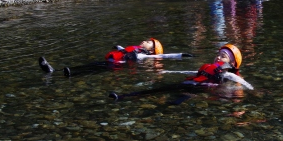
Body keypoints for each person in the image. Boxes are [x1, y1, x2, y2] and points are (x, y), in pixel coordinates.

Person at [109, 43, 253, 104]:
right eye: (218, 54)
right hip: (189, 84)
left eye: (223, 56)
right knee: (157, 90)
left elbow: (241, 83)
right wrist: (169, 71)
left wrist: (252, 90)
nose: (218, 57)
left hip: (198, 90)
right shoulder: (209, 68)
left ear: (232, 64)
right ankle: (122, 96)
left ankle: (169, 107)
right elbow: (190, 72)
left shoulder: (229, 75)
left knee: (177, 101)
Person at [39, 38, 192, 77]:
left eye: (148, 43)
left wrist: (180, 55)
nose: (144, 41)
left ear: (152, 51)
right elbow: (123, 49)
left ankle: (67, 73)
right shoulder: (137, 48)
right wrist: (118, 47)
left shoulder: (145, 56)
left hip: (116, 65)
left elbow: (165, 55)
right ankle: (54, 70)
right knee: (92, 65)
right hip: (112, 60)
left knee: (93, 70)